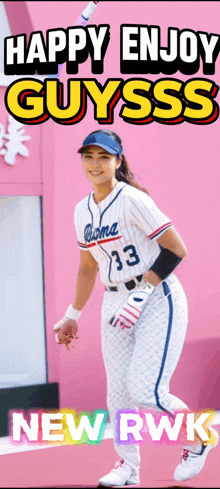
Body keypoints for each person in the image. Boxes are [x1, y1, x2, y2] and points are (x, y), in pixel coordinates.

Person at [54, 129, 218, 487]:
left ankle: (199, 437)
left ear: (118, 160)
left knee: (146, 390)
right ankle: (129, 466)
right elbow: (88, 267)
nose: (95, 164)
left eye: (103, 157)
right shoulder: (82, 210)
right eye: (88, 156)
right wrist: (72, 315)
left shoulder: (132, 200)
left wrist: (143, 292)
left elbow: (176, 249)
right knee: (119, 394)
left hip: (157, 297)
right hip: (114, 300)